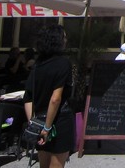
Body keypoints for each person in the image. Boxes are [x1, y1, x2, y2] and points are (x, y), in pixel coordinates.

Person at [23, 24, 74, 168]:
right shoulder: (63, 63)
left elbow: (28, 97)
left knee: (43, 165)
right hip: (58, 121)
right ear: (58, 41)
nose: (66, 40)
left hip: (38, 120)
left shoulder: (38, 64)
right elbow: (56, 98)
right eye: (64, 37)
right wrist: (47, 127)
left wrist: (33, 123)